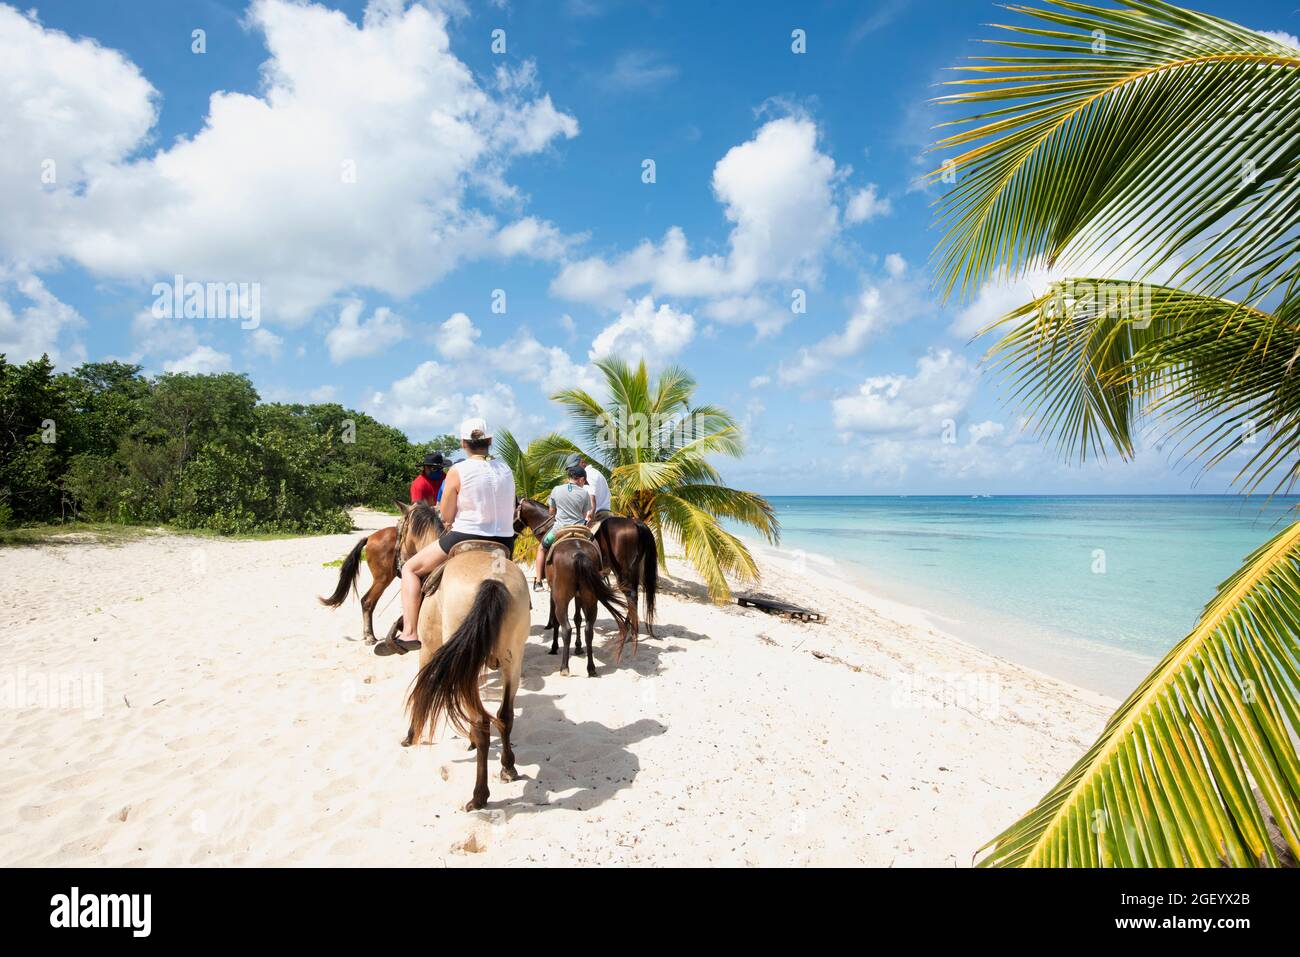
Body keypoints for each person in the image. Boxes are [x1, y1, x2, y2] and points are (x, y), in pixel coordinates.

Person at [376, 418, 516, 656]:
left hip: (465, 535)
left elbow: (448, 514)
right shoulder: (506, 468)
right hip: (504, 542)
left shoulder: (458, 470)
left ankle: (409, 632)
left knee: (410, 568)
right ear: (490, 441)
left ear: (463, 444)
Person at [533, 465, 593, 591]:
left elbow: (551, 511)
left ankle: (538, 581)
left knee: (542, 548)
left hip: (559, 530)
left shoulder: (556, 489)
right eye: (584, 482)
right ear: (581, 479)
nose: (584, 484)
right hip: (580, 530)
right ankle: (599, 575)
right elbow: (583, 514)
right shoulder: (585, 493)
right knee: (595, 546)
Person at [566, 451, 611, 522]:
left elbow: (591, 498)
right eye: (571, 469)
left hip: (596, 516)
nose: (573, 470)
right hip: (604, 513)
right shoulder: (594, 472)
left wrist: (589, 518)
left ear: (583, 463)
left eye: (575, 467)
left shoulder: (587, 475)